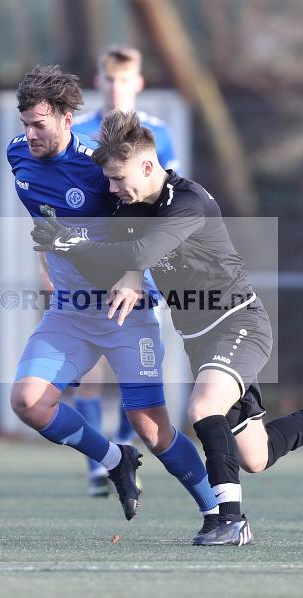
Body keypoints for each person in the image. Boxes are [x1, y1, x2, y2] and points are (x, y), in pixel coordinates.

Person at [32, 110, 303, 546]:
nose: (112, 189)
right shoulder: (135, 205)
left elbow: (143, 249)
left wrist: (73, 243)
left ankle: (231, 521)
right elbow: (117, 253)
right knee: (255, 456)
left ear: (148, 166)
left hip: (237, 323)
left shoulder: (188, 202)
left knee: (203, 408)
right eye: (107, 180)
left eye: (118, 178)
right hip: (200, 340)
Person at [7, 65, 218, 526]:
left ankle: (219, 510)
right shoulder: (17, 155)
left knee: (152, 427)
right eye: (24, 124)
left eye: (39, 124)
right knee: (27, 401)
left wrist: (133, 273)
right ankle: (114, 461)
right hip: (69, 312)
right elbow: (45, 224)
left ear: (66, 118)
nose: (29, 134)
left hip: (125, 312)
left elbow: (144, 225)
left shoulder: (97, 168)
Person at [68, 46, 181, 496]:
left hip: (140, 261)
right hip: (90, 261)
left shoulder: (158, 133)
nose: (116, 87)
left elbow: (169, 197)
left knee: (135, 360)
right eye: (109, 79)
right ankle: (101, 461)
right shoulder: (78, 131)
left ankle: (122, 446)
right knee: (89, 363)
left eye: (125, 80)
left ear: (138, 83)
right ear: (98, 81)